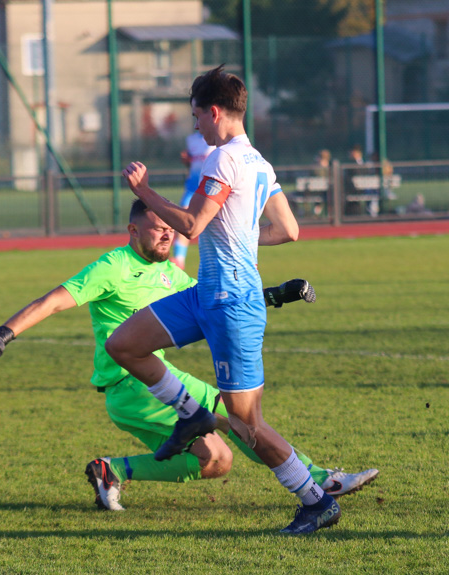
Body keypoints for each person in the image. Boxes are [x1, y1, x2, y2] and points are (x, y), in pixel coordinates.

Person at [0, 199, 378, 512]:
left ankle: (112, 471)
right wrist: (1, 335)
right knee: (234, 425)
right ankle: (320, 481)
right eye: (157, 228)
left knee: (219, 459)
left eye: (170, 229)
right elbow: (53, 301)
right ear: (132, 229)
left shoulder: (168, 274)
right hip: (130, 386)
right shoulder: (113, 266)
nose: (167, 235)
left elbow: (211, 301)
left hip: (162, 377)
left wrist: (276, 295)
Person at [111, 66, 347, 534]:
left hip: (232, 303)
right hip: (206, 295)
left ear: (214, 112)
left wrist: (143, 192)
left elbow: (193, 225)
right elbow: (288, 230)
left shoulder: (222, 160)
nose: (195, 126)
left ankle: (315, 499)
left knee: (246, 425)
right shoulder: (259, 162)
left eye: (197, 115)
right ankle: (192, 413)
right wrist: (239, 233)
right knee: (124, 344)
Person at [172, 132, 216, 269]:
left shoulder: (217, 137)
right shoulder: (191, 139)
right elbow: (192, 164)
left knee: (215, 225)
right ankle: (179, 260)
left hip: (211, 189)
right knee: (184, 221)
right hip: (192, 188)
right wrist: (187, 160)